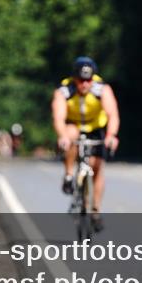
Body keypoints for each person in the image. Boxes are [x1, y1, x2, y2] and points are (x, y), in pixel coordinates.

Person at [52, 56, 120, 231]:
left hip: (95, 128)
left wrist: (111, 135)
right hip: (73, 125)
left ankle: (95, 210)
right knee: (70, 134)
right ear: (74, 78)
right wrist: (62, 136)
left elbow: (112, 114)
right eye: (81, 80)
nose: (84, 84)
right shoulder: (64, 90)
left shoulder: (102, 89)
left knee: (97, 166)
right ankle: (68, 175)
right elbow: (58, 117)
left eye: (88, 80)